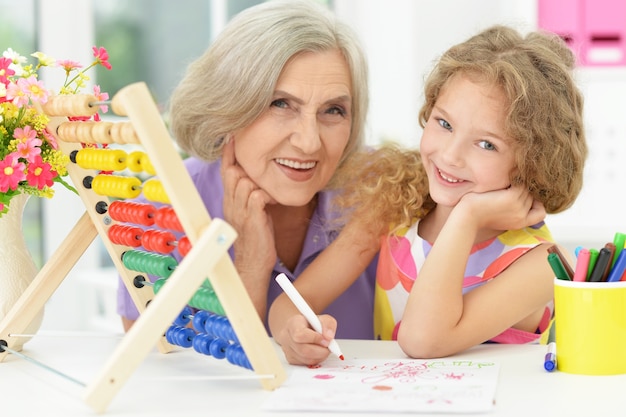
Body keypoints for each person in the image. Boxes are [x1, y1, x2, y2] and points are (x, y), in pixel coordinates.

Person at [268, 24, 587, 365]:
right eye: (444, 124)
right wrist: (293, 332)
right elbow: (290, 303)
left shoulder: (542, 264)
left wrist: (467, 217)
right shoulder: (393, 209)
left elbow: (422, 339)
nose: (450, 155)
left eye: (486, 144)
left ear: (533, 163)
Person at [117, 0, 378, 339]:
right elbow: (160, 374)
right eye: (280, 104)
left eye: (333, 110)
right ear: (229, 108)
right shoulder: (159, 209)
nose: (309, 143)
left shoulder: (379, 192)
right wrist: (251, 266)